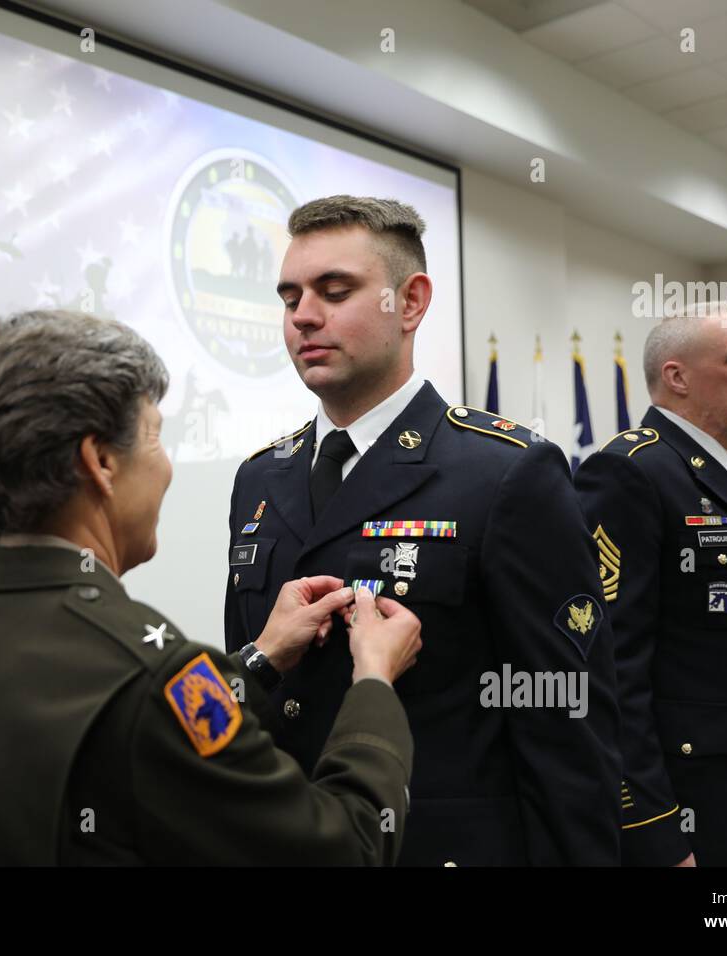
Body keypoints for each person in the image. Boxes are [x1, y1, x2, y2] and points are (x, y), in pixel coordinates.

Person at [0, 310, 423, 866]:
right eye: (156, 438)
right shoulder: (153, 676)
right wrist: (374, 682)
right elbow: (346, 850)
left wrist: (262, 657)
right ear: (102, 461)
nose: (166, 469)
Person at [224, 196, 621, 866]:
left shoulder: (505, 472)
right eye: (290, 296)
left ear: (409, 303)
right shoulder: (261, 477)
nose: (303, 316)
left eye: (335, 290)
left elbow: (566, 718)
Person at [573, 303, 727, 867]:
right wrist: (654, 831)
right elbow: (608, 670)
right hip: (693, 815)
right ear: (677, 377)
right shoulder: (630, 471)